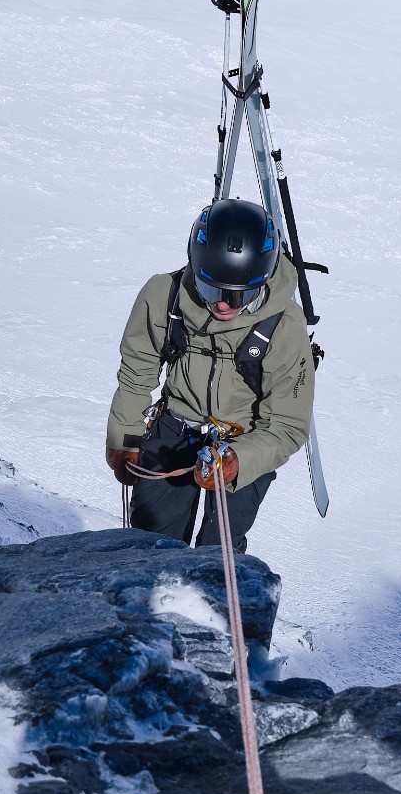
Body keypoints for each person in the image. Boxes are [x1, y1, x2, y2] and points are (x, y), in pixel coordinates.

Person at [105, 197, 315, 552]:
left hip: (245, 439)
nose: (222, 304)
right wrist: (124, 443)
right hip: (175, 428)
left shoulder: (284, 327)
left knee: (218, 552)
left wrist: (238, 461)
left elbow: (285, 425)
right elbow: (136, 372)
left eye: (239, 295)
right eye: (209, 288)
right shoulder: (164, 295)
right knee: (150, 544)